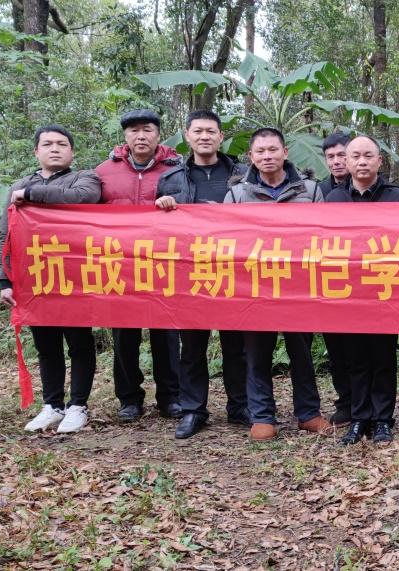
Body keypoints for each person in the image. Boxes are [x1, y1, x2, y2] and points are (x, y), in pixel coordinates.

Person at [221, 127, 327, 441]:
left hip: (299, 286)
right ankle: (263, 416)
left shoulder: (309, 189)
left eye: (273, 150)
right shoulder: (238, 193)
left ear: (285, 152)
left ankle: (308, 413)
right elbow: (226, 238)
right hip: (255, 287)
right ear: (251, 157)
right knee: (256, 353)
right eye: (260, 151)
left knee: (302, 352)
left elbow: (326, 233)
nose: (267, 156)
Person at [0, 125, 102, 433]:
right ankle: (53, 405)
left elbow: (84, 199)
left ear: (71, 151)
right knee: (47, 345)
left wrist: (30, 196)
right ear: (36, 151)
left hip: (75, 277)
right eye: (47, 144)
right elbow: (7, 236)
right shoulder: (18, 184)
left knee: (80, 344)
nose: (54, 148)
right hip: (36, 279)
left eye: (61, 144)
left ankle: (78, 406)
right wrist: (5, 281)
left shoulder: (84, 179)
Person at [153, 110, 250, 438]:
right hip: (190, 274)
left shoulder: (243, 175)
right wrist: (162, 206)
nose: (205, 136)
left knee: (236, 344)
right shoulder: (170, 179)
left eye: (211, 131)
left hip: (234, 271)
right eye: (198, 131)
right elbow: (156, 232)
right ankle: (194, 410)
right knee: (191, 346)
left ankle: (240, 406)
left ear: (221, 136)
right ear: (187, 135)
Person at [95, 109, 184, 422]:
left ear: (159, 134)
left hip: (164, 263)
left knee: (166, 335)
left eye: (147, 129)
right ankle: (129, 398)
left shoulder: (176, 169)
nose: (141, 136)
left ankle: (171, 398)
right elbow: (85, 208)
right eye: (134, 130)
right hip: (120, 266)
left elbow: (191, 207)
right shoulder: (104, 171)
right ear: (125, 136)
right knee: (124, 336)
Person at [324, 135, 399, 445]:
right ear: (345, 162)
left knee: (383, 356)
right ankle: (359, 418)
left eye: (368, 156)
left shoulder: (397, 198)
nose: (361, 162)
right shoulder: (333, 199)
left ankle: (383, 419)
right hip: (347, 293)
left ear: (379, 161)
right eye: (355, 156)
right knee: (355, 359)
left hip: (385, 290)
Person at [316, 131, 354, 425]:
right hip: (330, 277)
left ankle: (368, 402)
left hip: (366, 277)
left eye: (343, 155)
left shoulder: (371, 187)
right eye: (331, 157)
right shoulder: (318, 192)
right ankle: (345, 402)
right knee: (336, 345)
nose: (338, 161)